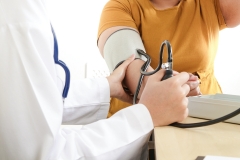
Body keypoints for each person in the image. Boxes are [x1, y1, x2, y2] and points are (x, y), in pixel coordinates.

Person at [0, 0, 192, 159]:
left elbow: (25, 102)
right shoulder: (17, 13)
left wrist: (107, 87)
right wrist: (147, 115)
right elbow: (43, 155)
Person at [97, 0, 240, 117]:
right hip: (142, 124)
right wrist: (177, 89)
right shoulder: (120, 7)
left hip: (210, 118)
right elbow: (136, 75)